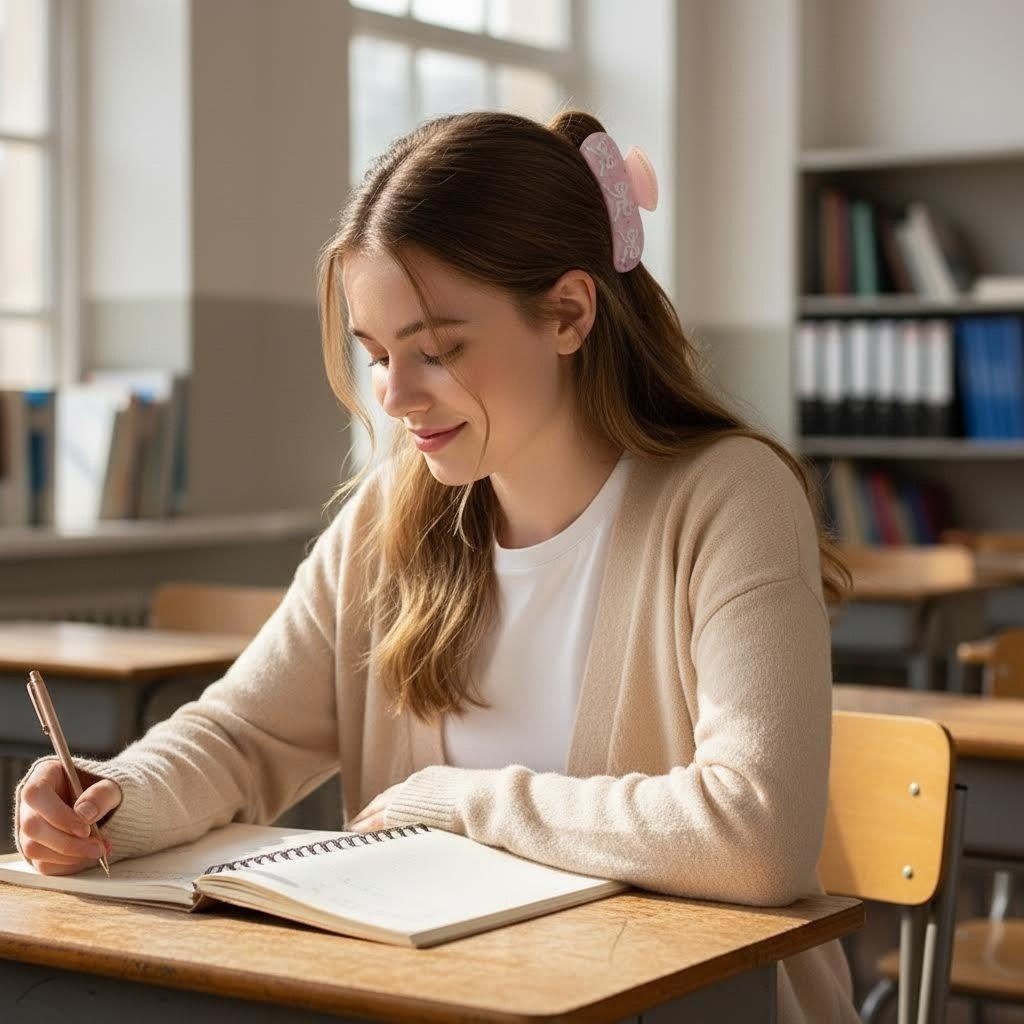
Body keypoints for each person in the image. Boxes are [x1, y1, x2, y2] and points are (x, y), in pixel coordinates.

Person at [13, 109, 857, 1023]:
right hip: (446, 999)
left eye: (440, 349)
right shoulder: (390, 515)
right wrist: (111, 799)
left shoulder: (730, 497)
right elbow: (242, 736)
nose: (394, 395)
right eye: (375, 354)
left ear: (570, 313)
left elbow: (757, 833)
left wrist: (469, 804)